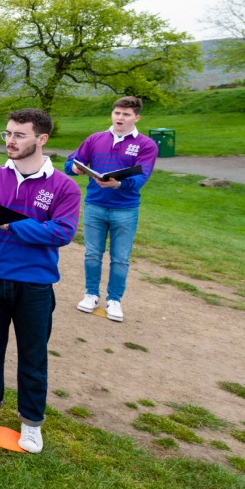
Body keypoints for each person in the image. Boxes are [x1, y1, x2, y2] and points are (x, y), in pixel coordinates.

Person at [0, 108, 81, 454]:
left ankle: (31, 423)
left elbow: (62, 232)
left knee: (32, 356)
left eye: (19, 135)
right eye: (7, 134)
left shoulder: (64, 187)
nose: (10, 141)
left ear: (41, 139)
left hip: (34, 285)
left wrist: (12, 223)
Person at [64, 96, 158, 322]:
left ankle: (114, 300)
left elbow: (142, 176)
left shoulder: (146, 145)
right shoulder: (95, 139)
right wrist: (75, 169)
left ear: (136, 117)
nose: (120, 118)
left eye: (126, 114)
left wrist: (119, 183)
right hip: (95, 205)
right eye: (117, 113)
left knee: (120, 258)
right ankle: (91, 294)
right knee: (93, 254)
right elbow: (71, 163)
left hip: (125, 209)